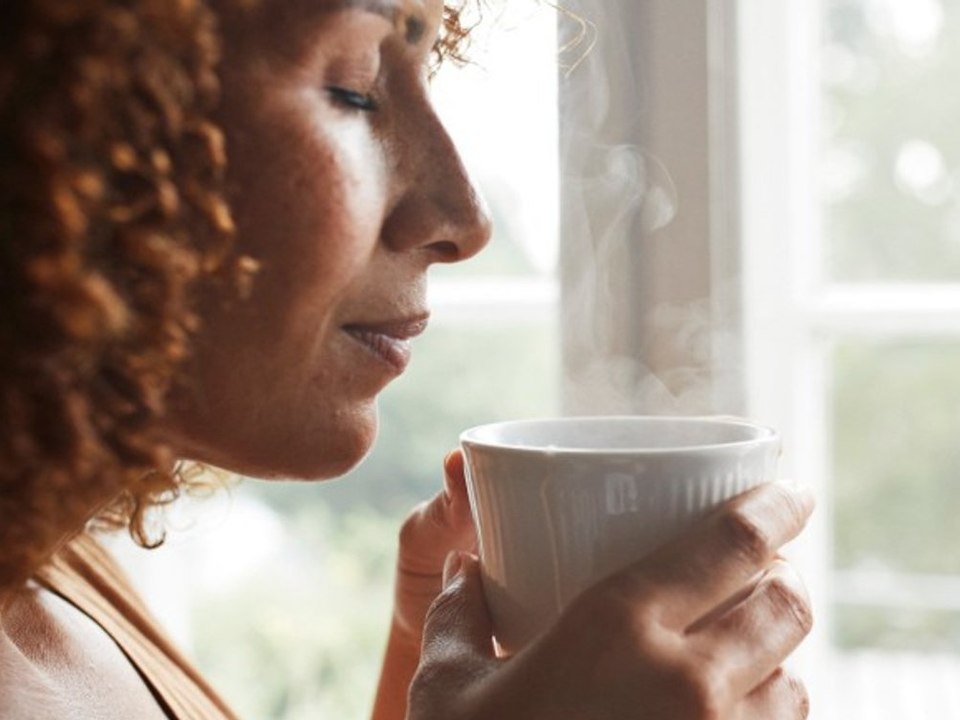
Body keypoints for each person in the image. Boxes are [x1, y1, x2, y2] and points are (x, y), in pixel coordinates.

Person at [0, 0, 815, 718]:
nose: (465, 216)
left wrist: (427, 659)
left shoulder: (53, 575)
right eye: (355, 88)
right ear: (68, 126)